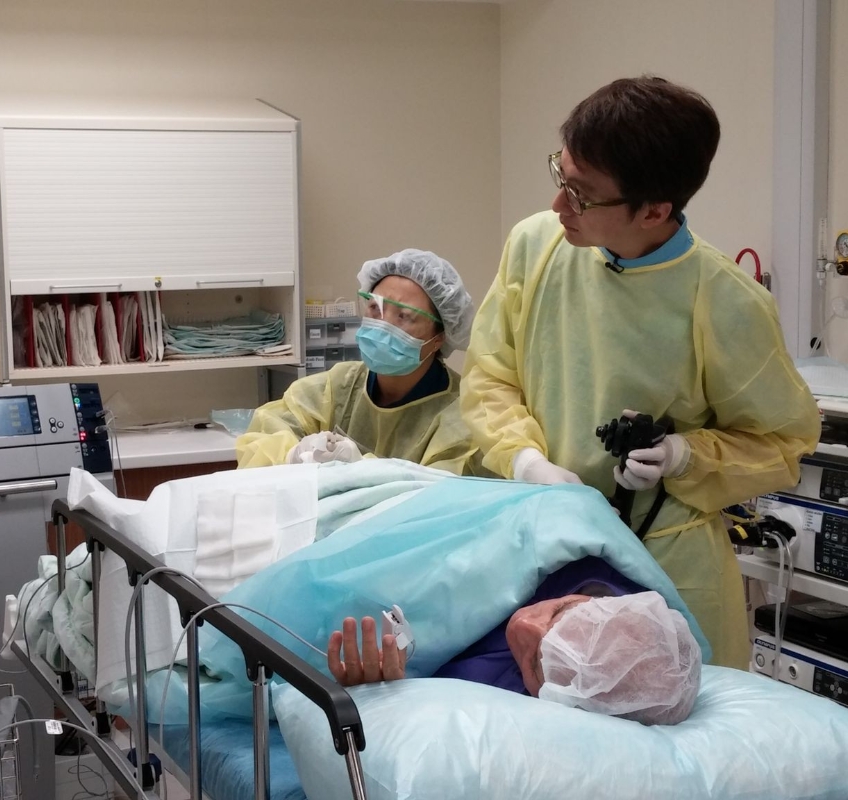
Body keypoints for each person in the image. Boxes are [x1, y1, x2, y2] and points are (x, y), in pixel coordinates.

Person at [460, 77, 821, 669]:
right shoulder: (536, 246)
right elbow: (490, 376)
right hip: (540, 542)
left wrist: (686, 455)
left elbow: (783, 442)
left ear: (654, 209)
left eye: (581, 195)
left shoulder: (725, 300)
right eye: (561, 177)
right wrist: (525, 461)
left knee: (674, 712)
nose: (558, 207)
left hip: (667, 567)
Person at [327, 556, 703, 726]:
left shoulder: (494, 709)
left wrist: (384, 698)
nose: (523, 624)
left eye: (537, 661)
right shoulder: (588, 563)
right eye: (561, 610)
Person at [236, 249, 481, 474]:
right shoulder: (338, 386)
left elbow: (442, 493)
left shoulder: (464, 415)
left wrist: (361, 469)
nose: (382, 324)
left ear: (439, 338)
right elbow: (265, 434)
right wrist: (292, 455)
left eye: (404, 316)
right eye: (375, 307)